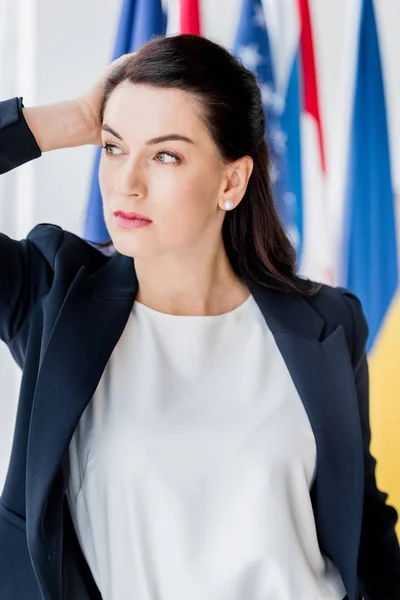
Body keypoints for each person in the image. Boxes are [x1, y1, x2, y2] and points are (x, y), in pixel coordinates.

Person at [0, 33, 399, 600]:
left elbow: (364, 527)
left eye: (166, 154)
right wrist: (69, 119)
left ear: (231, 181)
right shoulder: (52, 296)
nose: (126, 183)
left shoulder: (329, 323)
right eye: (113, 148)